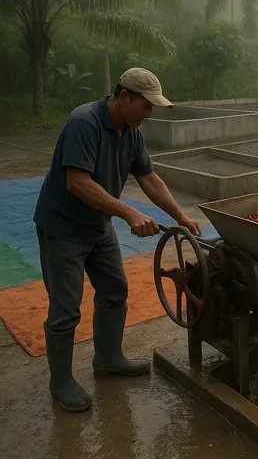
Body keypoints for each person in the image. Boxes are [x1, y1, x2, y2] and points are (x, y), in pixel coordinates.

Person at [33, 67, 201, 412]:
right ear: (124, 97)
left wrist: (180, 215)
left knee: (114, 290)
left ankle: (108, 357)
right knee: (65, 309)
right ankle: (61, 381)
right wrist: (129, 213)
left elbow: (149, 178)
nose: (150, 114)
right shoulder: (85, 123)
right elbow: (76, 182)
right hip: (63, 228)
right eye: (146, 106)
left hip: (98, 226)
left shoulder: (131, 131)